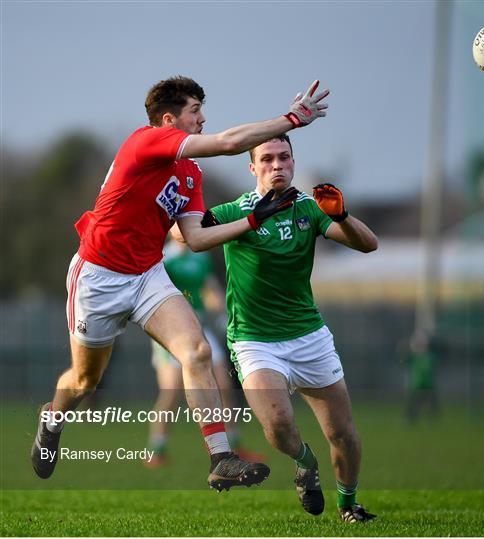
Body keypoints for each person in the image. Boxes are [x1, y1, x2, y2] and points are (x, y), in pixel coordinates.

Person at [31, 76, 329, 492]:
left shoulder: (189, 172)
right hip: (99, 275)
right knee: (84, 382)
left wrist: (253, 219)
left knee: (198, 350)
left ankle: (221, 456)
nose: (203, 118)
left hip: (147, 274)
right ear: (168, 120)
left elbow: (195, 237)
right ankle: (52, 419)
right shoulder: (145, 142)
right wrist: (291, 120)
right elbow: (228, 143)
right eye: (195, 112)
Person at [191, 134, 378, 522]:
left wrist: (341, 216)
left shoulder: (309, 209)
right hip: (253, 340)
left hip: (308, 336)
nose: (277, 165)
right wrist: (247, 223)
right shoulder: (235, 210)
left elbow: (368, 244)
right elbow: (185, 235)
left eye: (285, 157)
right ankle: (304, 462)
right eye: (268, 159)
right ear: (253, 167)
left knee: (342, 433)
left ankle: (348, 503)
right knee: (277, 426)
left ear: (293, 162)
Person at [145, 238, 263, 466]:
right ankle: (156, 449)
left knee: (224, 385)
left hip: (199, 328)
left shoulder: (201, 256)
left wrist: (222, 313)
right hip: (170, 331)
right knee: (171, 392)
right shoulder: (164, 259)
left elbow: (210, 289)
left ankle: (233, 444)